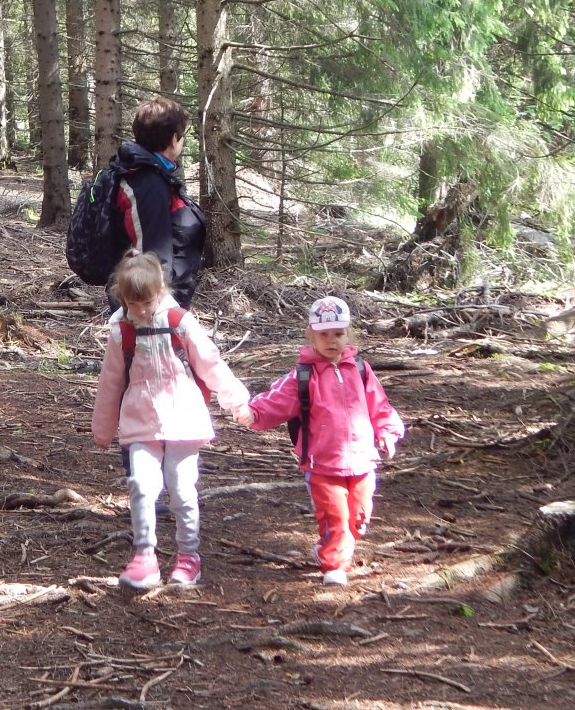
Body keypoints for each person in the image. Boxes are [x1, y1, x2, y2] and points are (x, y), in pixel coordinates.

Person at [91, 253, 250, 589]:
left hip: (183, 418)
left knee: (181, 488)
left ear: (160, 291)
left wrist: (237, 401)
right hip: (140, 419)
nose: (141, 311)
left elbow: (210, 364)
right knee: (141, 485)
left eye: (147, 302)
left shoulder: (180, 322)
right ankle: (144, 556)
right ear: (122, 298)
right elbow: (111, 382)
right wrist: (103, 428)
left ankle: (188, 556)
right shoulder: (122, 331)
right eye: (133, 304)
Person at [233, 296, 405, 586]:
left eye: (338, 334)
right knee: (335, 517)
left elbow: (379, 404)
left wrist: (388, 431)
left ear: (348, 334)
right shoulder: (303, 375)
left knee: (358, 517)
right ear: (310, 335)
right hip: (321, 463)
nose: (331, 341)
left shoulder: (360, 370)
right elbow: (277, 401)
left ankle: (337, 544)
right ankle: (334, 564)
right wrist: (253, 412)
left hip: (363, 459)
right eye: (324, 334)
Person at [113, 96, 206, 309]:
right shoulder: (147, 183)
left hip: (154, 301)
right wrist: (156, 310)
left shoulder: (152, 174)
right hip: (148, 308)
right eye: (182, 136)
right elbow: (149, 254)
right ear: (174, 139)